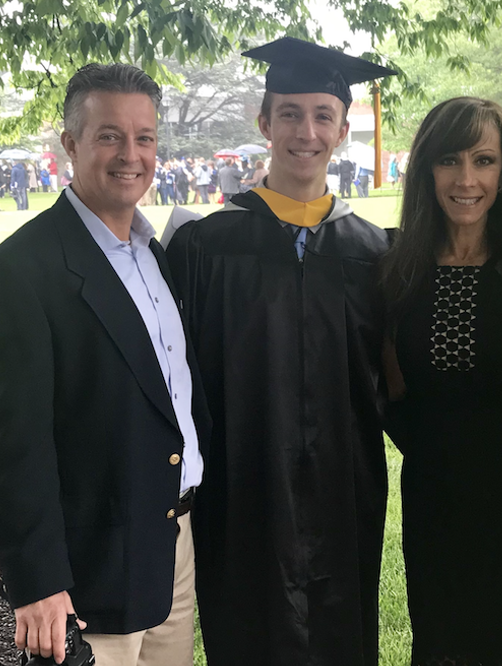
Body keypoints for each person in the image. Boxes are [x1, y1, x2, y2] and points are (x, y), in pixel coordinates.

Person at [166, 36, 396, 666]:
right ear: (264, 123)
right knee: (247, 624)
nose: (306, 132)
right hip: (240, 478)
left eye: (323, 116)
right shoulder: (204, 246)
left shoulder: (374, 252)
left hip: (346, 481)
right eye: (290, 114)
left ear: (343, 130)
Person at [0, 63, 209, 666]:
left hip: (173, 546)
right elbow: (11, 444)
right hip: (90, 572)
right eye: (109, 136)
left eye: (144, 138)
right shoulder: (19, 273)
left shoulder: (155, 256)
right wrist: (38, 583)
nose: (130, 155)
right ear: (70, 144)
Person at [379, 97, 502, 665]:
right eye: (449, 160)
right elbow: (385, 385)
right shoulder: (395, 265)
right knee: (443, 643)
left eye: (484, 160)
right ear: (426, 170)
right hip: (433, 495)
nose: (466, 179)